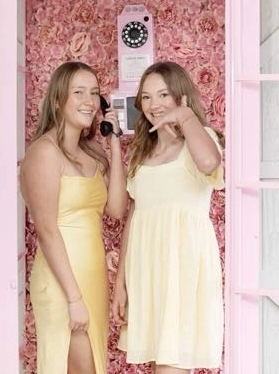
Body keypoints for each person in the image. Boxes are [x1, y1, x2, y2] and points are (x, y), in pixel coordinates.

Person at [112, 61, 223, 373]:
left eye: (163, 95)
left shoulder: (200, 140)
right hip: (147, 269)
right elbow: (134, 217)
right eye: (146, 97)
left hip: (183, 267)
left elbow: (208, 162)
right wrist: (121, 282)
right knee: (160, 364)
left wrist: (185, 117)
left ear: (180, 96)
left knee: (171, 366)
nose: (154, 105)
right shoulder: (141, 154)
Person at [20, 61, 127, 374]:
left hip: (91, 277)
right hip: (62, 282)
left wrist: (115, 142)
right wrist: (73, 297)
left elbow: (117, 209)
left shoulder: (93, 152)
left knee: (91, 366)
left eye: (94, 93)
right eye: (78, 92)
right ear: (57, 100)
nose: (89, 101)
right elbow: (47, 231)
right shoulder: (43, 153)